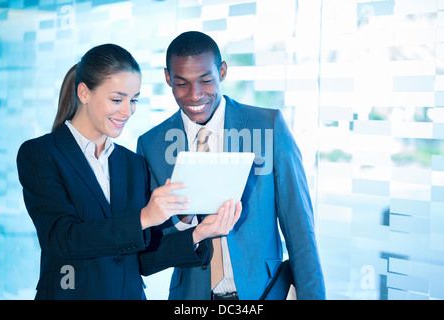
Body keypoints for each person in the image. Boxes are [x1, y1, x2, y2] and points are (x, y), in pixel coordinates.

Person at [16, 43, 241, 300]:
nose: (127, 111)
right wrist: (145, 217)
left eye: (133, 100)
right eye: (117, 99)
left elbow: (141, 260)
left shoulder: (132, 163)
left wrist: (200, 232)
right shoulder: (42, 154)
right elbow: (62, 239)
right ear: (84, 93)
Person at [136, 31, 326, 300]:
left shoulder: (267, 126)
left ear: (222, 71)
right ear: (168, 78)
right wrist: (184, 220)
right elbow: (150, 248)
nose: (195, 95)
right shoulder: (151, 145)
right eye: (182, 84)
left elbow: (300, 230)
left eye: (206, 81)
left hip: (264, 292)